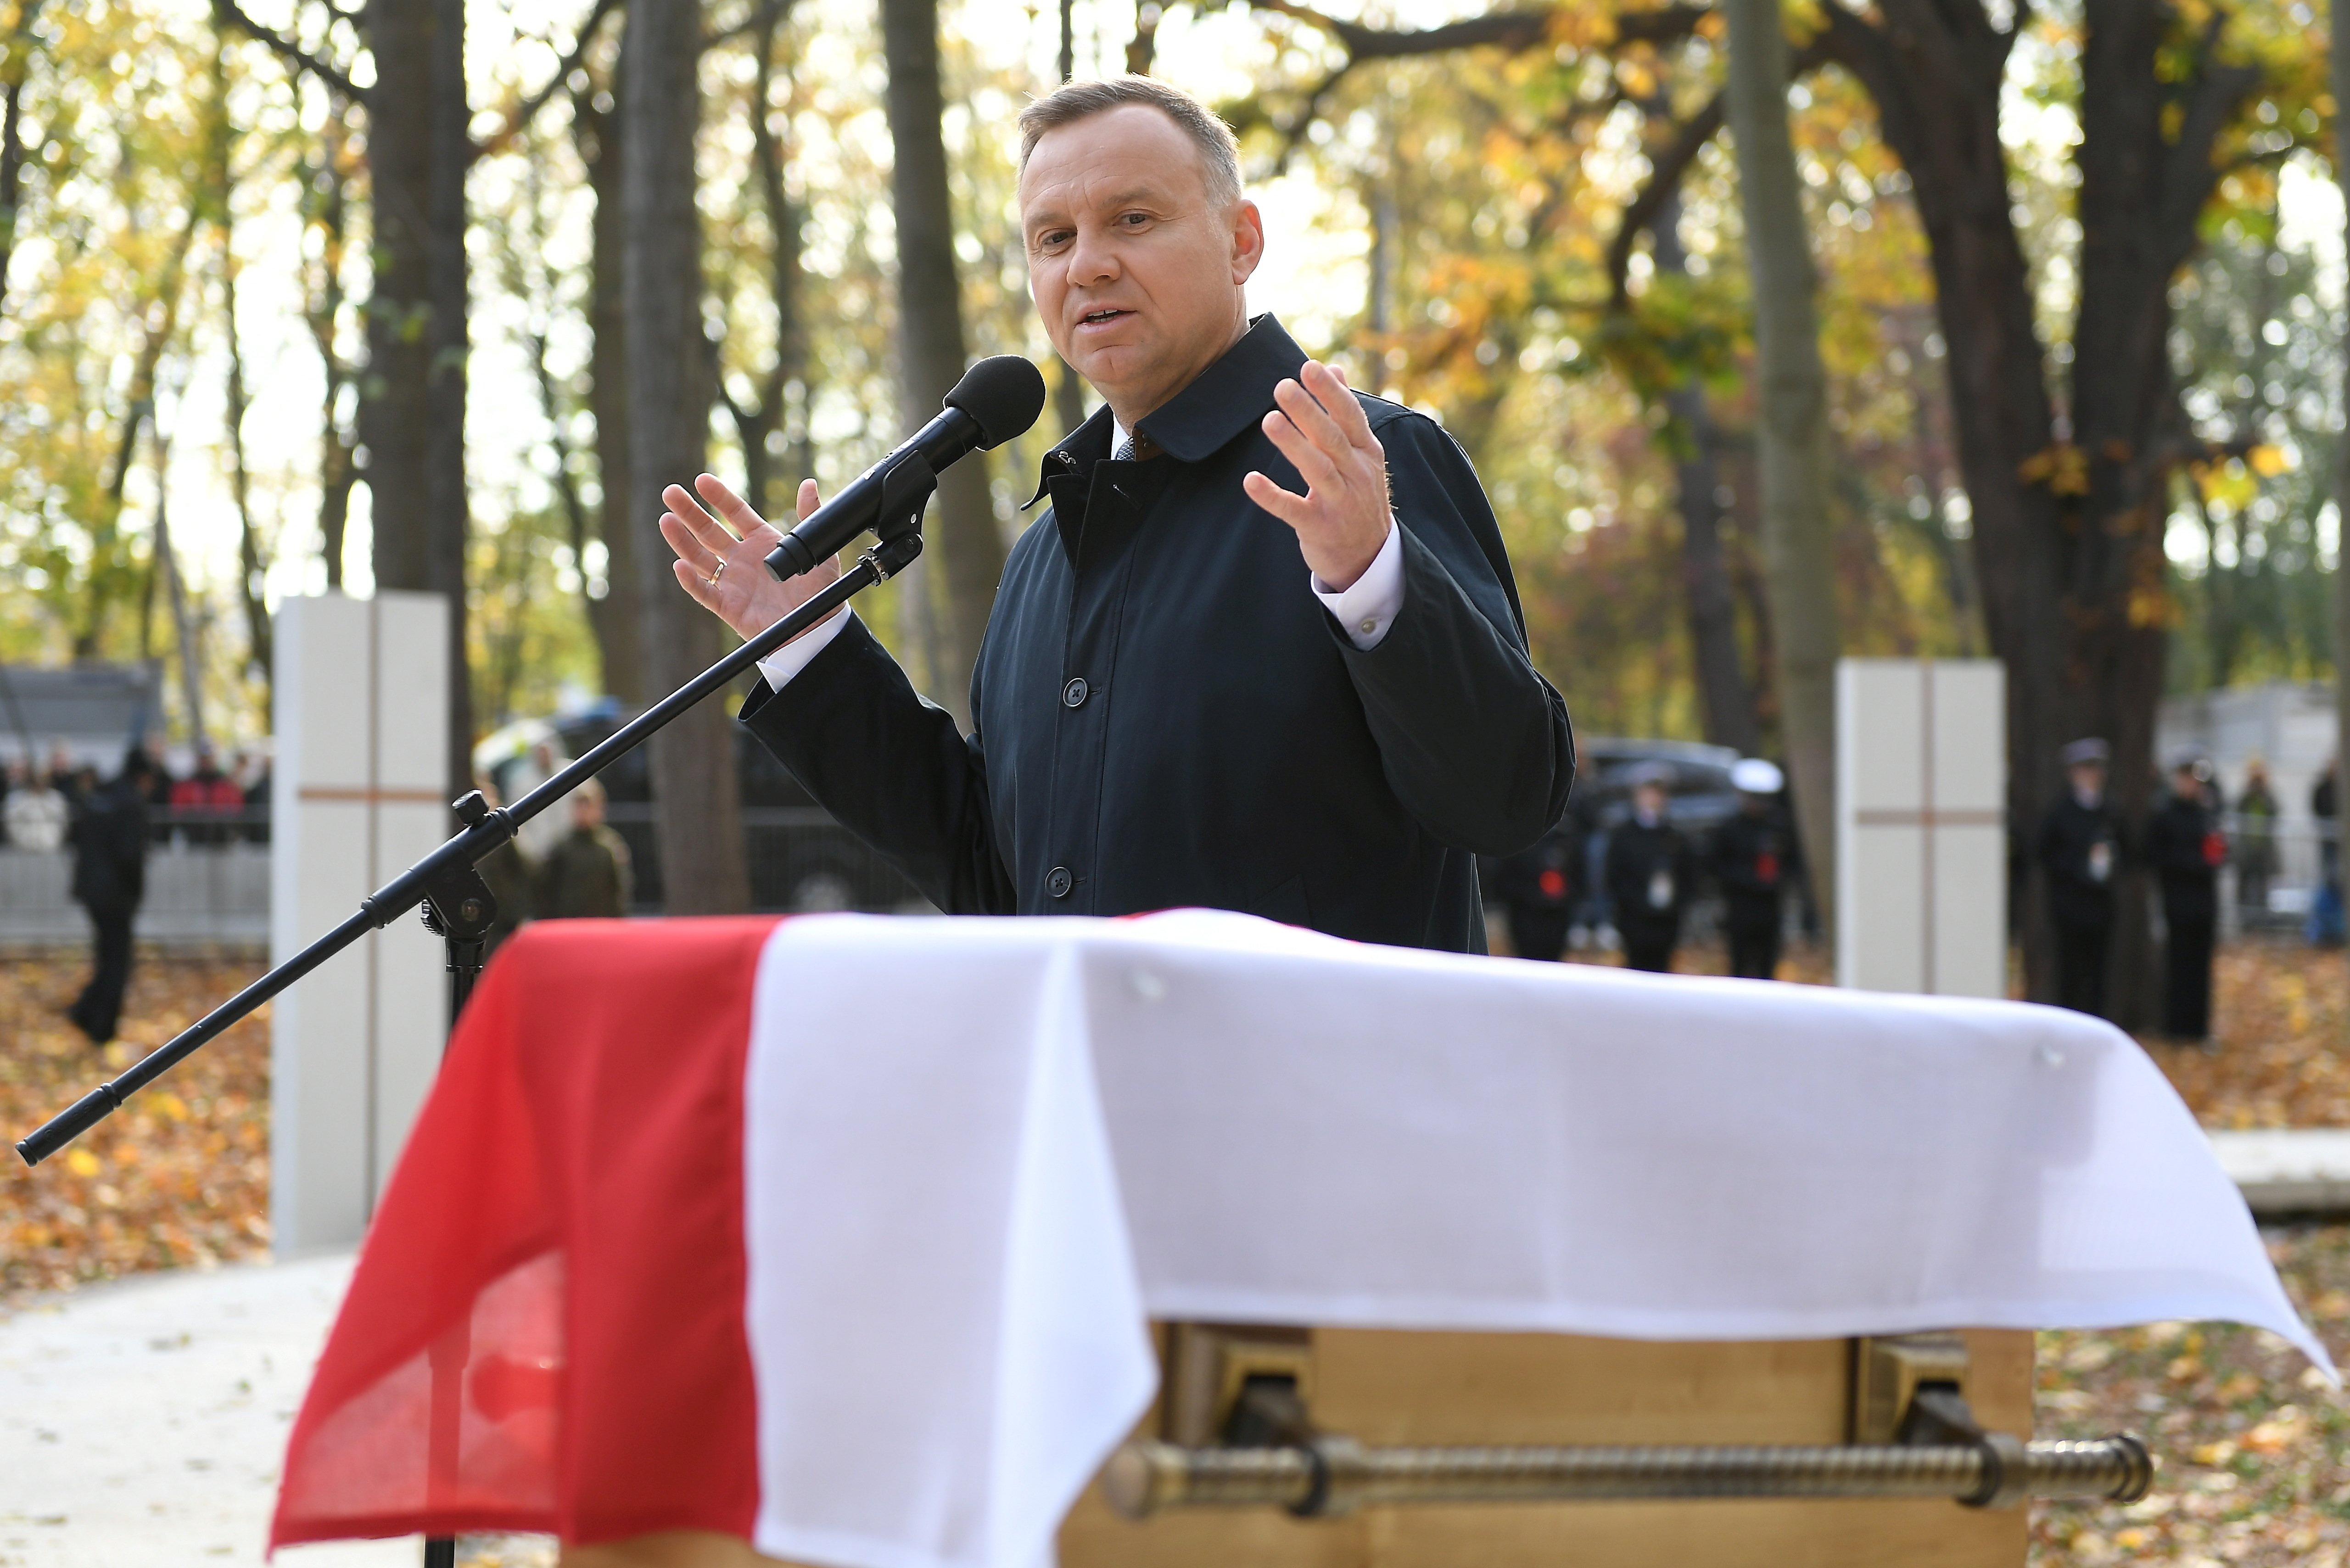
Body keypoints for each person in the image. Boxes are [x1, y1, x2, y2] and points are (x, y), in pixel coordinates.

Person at [654, 77, 1573, 950]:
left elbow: (1503, 801)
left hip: (1314, 1102)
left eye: (1133, 220)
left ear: (1241, 240)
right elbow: (1000, 882)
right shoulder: (1046, 550)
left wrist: (1374, 577)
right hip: (1087, 1103)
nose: (1088, 264)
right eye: (1051, 238)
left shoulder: (1366, 466)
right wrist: (810, 652)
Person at [67, 750, 155, 1045]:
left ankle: (87, 1012)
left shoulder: (100, 797)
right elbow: (129, 854)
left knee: (107, 957)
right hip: (117, 895)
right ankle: (101, 1027)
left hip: (94, 892)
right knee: (118, 961)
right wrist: (136, 891)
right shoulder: (130, 804)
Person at [2036, 737, 2125, 1019]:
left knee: (2100, 973)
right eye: (2086, 769)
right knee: (2070, 973)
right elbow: (2045, 854)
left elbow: (2129, 851)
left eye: (2097, 769)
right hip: (2070, 905)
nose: (2093, 776)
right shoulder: (2060, 812)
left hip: (2100, 906)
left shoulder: (2111, 811)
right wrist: (2078, 867)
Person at [2144, 755, 2224, 1043]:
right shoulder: (2166, 816)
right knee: (2180, 966)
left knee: (2201, 969)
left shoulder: (2206, 814)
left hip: (2204, 903)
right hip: (2179, 902)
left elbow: (2217, 851)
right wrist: (2191, 863)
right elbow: (2157, 856)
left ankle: (2199, 1028)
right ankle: (2177, 1029)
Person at [1708, 757, 1799, 980]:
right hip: (1740, 907)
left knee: (1768, 966)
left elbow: (1792, 864)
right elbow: (1716, 866)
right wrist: (1746, 879)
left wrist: (1777, 880)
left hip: (1770, 908)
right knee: (1739, 966)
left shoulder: (1779, 827)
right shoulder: (1729, 829)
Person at [1605, 767, 1694, 973]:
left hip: (1666, 921)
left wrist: (1676, 904)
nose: (1653, 798)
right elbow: (1614, 876)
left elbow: (1688, 875)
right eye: (1648, 792)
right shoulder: (1624, 835)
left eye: (1659, 793)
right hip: (1634, 920)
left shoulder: (1675, 836)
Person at [533, 778, 632, 920]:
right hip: (568, 925)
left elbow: (620, 891)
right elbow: (544, 889)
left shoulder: (610, 846)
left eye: (588, 805)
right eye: (579, 805)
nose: (583, 811)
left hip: (601, 924)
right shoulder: (561, 847)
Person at [1483, 819, 1578, 961]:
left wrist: (1564, 896)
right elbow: (1504, 883)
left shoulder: (1566, 841)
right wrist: (1533, 896)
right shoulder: (1517, 844)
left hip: (1557, 918)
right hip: (1525, 918)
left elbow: (1578, 879)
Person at [2234, 756, 2278, 916]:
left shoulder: (2268, 796)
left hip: (2263, 848)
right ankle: (2244, 920)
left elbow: (2275, 810)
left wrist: (2264, 791)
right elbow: (2237, 808)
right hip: (2247, 848)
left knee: (2262, 887)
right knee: (2244, 887)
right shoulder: (2246, 795)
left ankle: (2262, 920)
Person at [4, 757, 67, 851]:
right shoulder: (16, 799)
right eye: (36, 777)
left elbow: (62, 824)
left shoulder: (57, 799)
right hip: (21, 849)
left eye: (43, 777)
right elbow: (11, 823)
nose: (39, 780)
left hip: (50, 849)